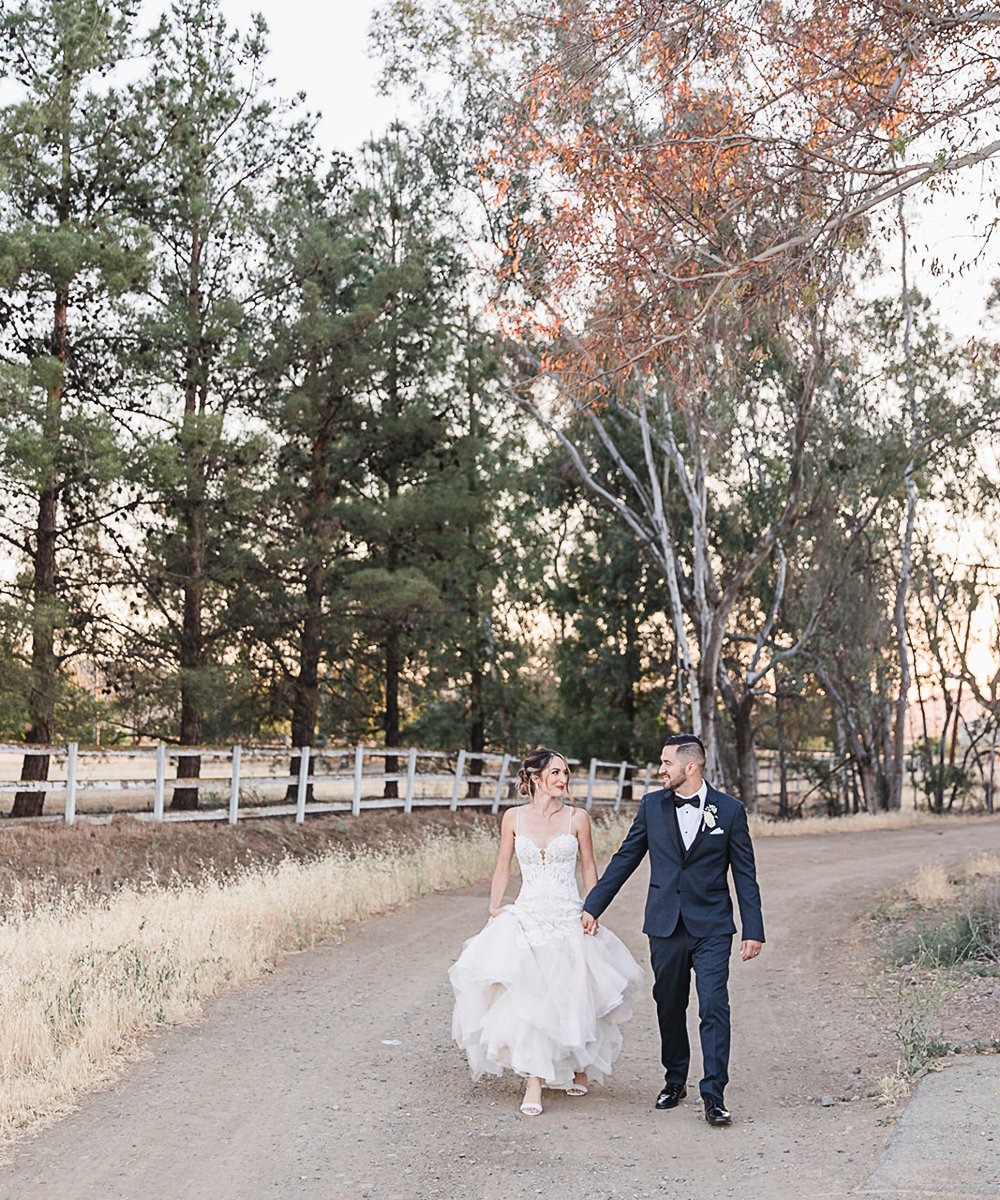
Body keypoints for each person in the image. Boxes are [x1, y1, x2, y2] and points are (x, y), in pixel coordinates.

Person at [449, 746, 644, 1116]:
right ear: (535, 778)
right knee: (531, 996)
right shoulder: (513, 819)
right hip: (528, 913)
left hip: (568, 912)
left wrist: (593, 908)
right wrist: (495, 907)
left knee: (573, 992)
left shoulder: (578, 818)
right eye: (555, 773)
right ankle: (534, 1081)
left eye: (565, 773)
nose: (562, 779)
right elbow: (503, 866)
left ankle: (579, 1066)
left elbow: (589, 867)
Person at [581, 734, 764, 1127]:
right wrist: (593, 906)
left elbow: (744, 873)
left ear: (691, 766)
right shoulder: (652, 807)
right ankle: (675, 1079)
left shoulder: (729, 811)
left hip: (712, 925)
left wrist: (754, 928)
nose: (660, 770)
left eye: (666, 763)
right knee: (669, 1005)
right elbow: (626, 858)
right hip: (665, 925)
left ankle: (714, 1094)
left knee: (714, 1005)